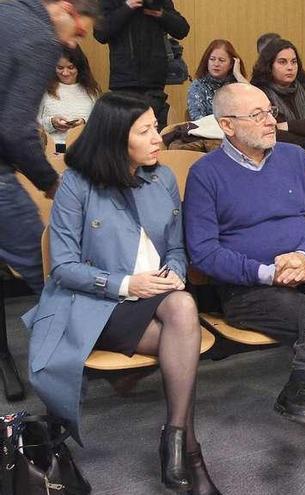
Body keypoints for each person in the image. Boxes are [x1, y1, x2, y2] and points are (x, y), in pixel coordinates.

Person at [184, 83, 305, 495]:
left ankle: (300, 383)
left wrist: (304, 257)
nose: (271, 120)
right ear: (227, 126)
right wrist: (266, 272)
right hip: (249, 290)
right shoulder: (205, 174)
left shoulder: (296, 157)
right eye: (256, 115)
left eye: (269, 110)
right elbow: (203, 253)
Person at [23, 92, 220, 494]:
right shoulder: (77, 185)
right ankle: (188, 450)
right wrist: (127, 284)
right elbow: (62, 267)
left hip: (158, 301)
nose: (158, 138)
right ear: (115, 138)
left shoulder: (162, 177)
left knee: (182, 304)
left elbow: (178, 247)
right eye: (145, 130)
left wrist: (175, 273)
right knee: (183, 335)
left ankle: (176, 437)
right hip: (95, 306)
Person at [1, 0, 99, 295]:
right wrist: (51, 183)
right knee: (45, 268)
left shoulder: (8, 9)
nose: (70, 43)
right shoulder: (40, 37)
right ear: (66, 9)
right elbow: (15, 130)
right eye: (79, 33)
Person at [94, 0, 190, 130]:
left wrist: (161, 14)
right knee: (125, 132)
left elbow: (182, 29)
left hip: (154, 81)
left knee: (151, 130)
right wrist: (127, 7)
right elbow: (100, 33)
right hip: (123, 81)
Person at [251, 38, 305, 172]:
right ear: (269, 65)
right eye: (282, 62)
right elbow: (275, 137)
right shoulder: (260, 95)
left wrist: (287, 126)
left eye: (294, 62)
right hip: (275, 165)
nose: (290, 67)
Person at [39, 45, 101, 153]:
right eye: (60, 68)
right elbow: (32, 125)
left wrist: (83, 124)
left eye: (71, 67)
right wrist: (52, 123)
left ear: (80, 67)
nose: (65, 73)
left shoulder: (92, 91)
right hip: (51, 150)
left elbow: (100, 124)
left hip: (83, 151)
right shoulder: (44, 89)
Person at [187, 39, 247, 121]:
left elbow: (255, 101)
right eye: (212, 59)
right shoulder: (198, 85)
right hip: (207, 131)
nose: (216, 64)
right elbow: (198, 119)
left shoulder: (236, 85)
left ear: (231, 64)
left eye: (221, 60)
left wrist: (238, 75)